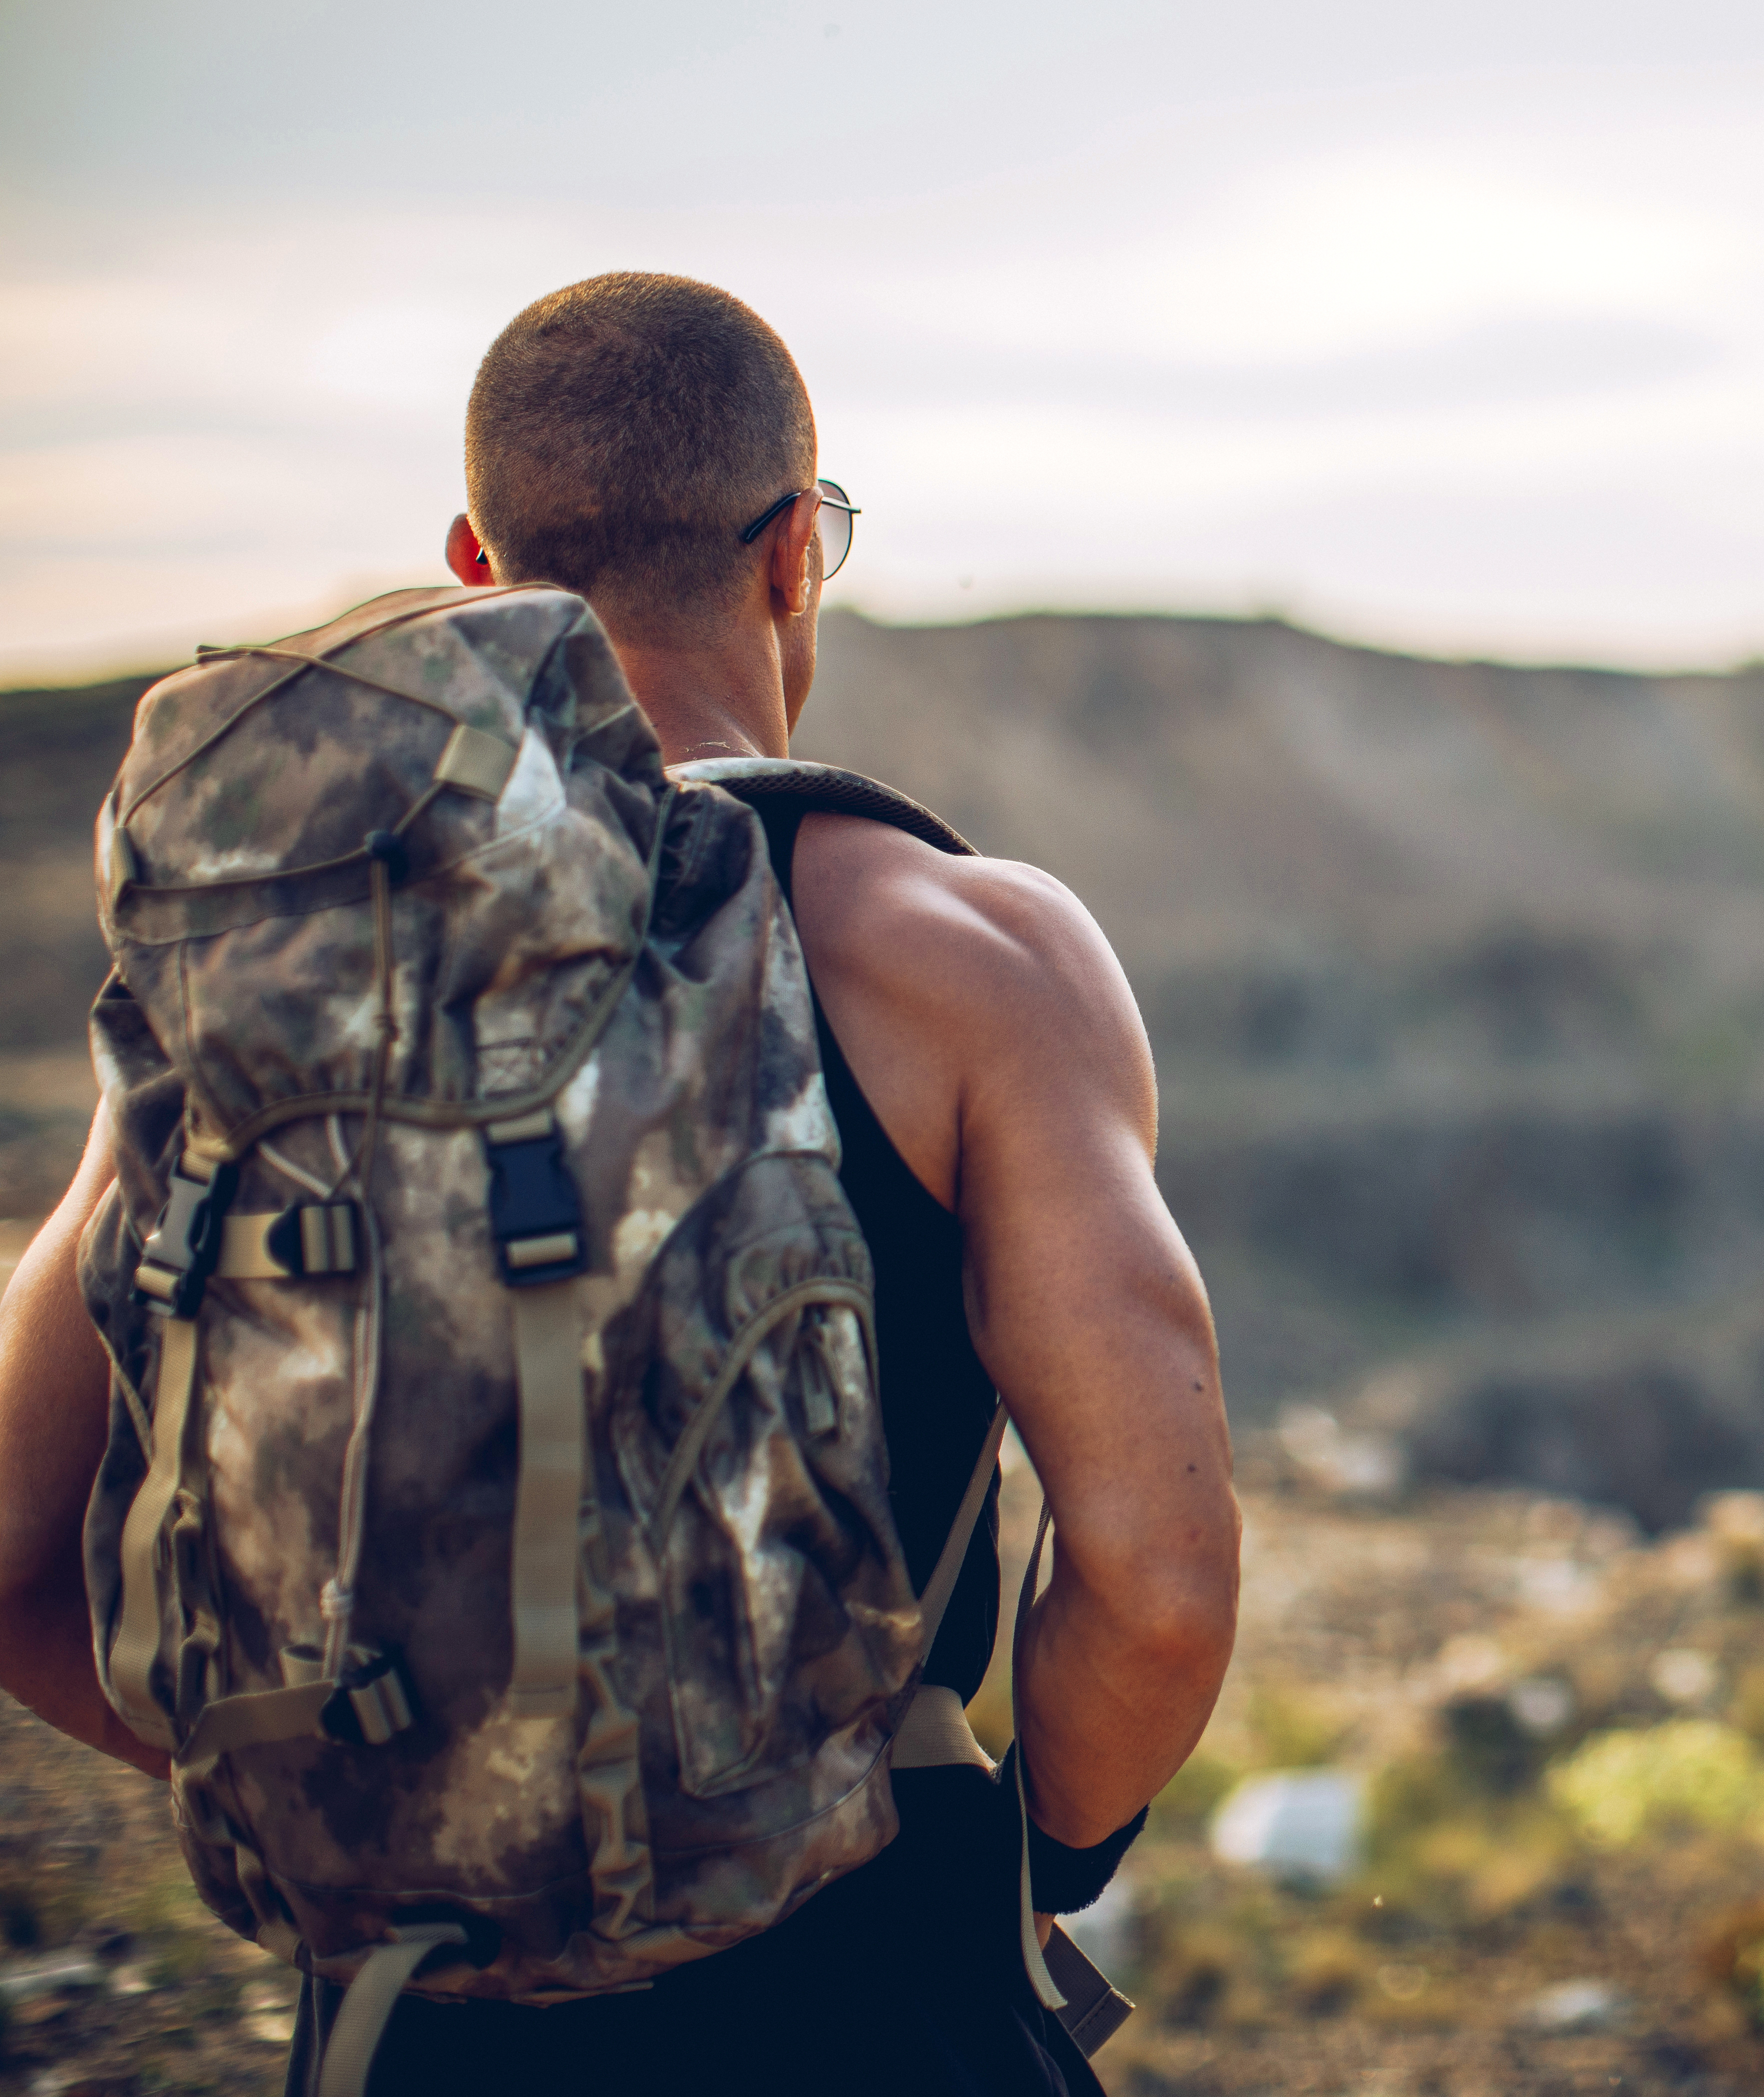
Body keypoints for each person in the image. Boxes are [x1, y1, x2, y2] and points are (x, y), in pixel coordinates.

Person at [0, 273, 1240, 2092]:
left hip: (410, 2022)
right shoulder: (968, 955)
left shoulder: (278, 973)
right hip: (873, 1993)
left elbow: (10, 1549)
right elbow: (1159, 1587)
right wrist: (1020, 1869)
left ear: (474, 565)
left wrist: (398, 1803)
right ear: (794, 553)